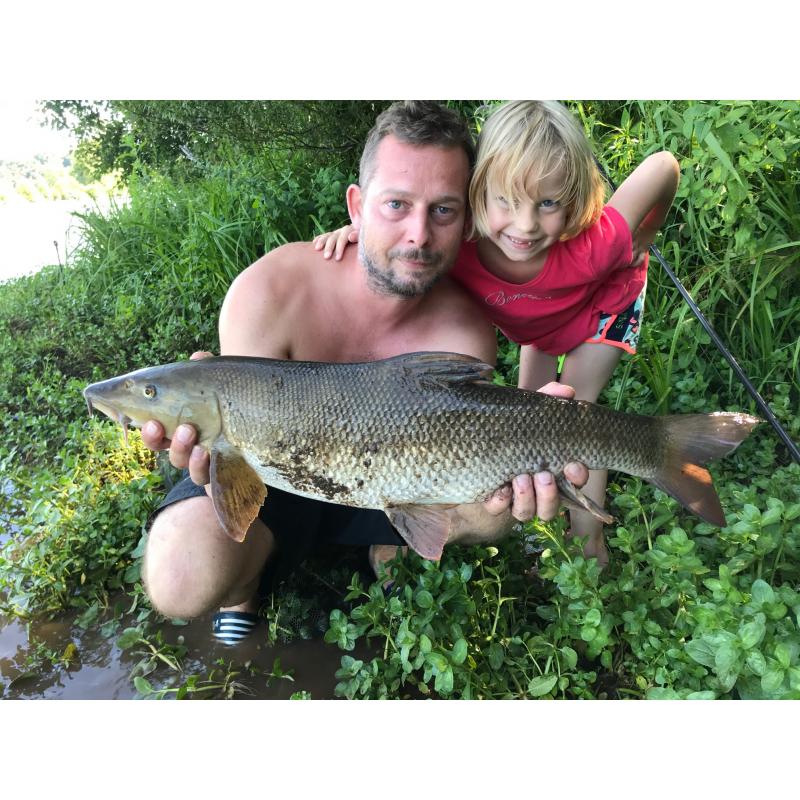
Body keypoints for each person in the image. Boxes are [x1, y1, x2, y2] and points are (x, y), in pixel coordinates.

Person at [141, 101, 588, 645]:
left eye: (442, 211)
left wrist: (531, 453)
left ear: (465, 221)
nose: (418, 234)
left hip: (398, 480)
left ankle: (390, 541)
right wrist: (208, 458)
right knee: (180, 575)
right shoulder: (268, 292)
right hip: (275, 480)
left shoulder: (464, 332)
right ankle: (243, 586)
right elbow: (239, 451)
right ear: (357, 206)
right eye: (396, 205)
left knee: (495, 511)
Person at [314, 100, 680, 566]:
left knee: (578, 420)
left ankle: (590, 542)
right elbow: (404, 233)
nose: (525, 226)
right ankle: (542, 517)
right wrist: (356, 228)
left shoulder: (598, 244)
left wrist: (644, 234)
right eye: (505, 201)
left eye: (548, 203)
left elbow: (663, 167)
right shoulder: (458, 245)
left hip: (602, 308)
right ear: (475, 193)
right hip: (537, 322)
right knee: (530, 423)